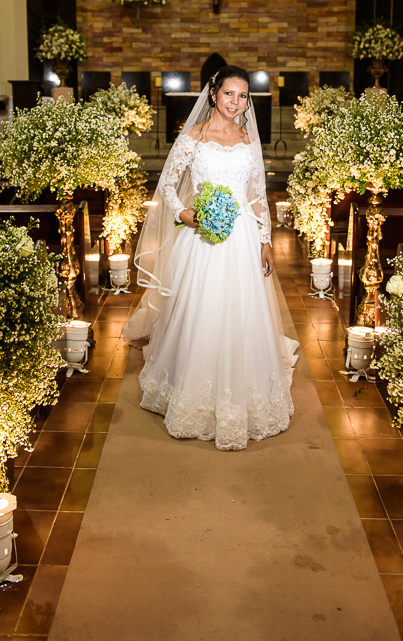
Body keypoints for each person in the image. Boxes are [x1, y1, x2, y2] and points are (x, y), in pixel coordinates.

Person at [122, 65, 298, 450]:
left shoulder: (248, 138)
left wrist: (265, 240)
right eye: (229, 94)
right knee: (199, 309)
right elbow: (168, 184)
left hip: (243, 239)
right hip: (202, 238)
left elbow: (255, 194)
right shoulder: (195, 136)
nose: (236, 103)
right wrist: (185, 213)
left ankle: (245, 393)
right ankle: (191, 390)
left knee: (242, 311)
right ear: (214, 94)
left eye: (243, 96)